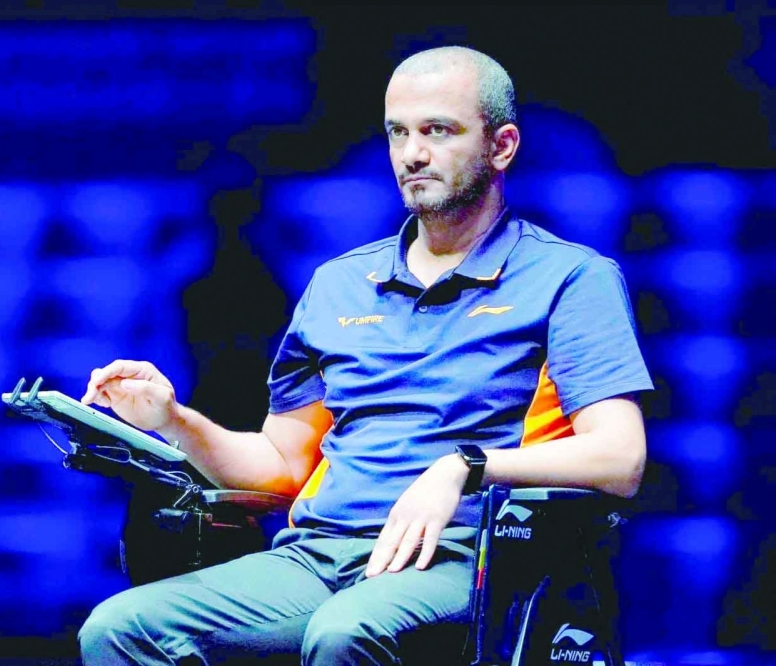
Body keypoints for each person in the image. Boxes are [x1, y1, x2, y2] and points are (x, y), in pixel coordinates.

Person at [76, 45, 654, 665]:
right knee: (117, 628)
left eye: (438, 130)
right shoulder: (338, 284)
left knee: (346, 632)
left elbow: (620, 458)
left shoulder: (571, 278)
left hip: (467, 557)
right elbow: (279, 465)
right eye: (398, 133)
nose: (413, 153)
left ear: (502, 146)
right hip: (318, 557)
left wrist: (464, 465)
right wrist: (172, 419)